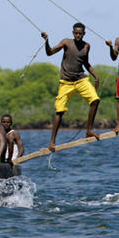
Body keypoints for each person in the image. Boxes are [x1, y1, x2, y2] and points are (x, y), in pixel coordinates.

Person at [41, 23, 100, 151]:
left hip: (81, 79)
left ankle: (89, 130)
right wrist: (46, 41)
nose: (78, 35)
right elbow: (49, 53)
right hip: (66, 82)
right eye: (76, 33)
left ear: (84, 34)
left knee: (95, 100)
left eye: (80, 33)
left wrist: (96, 76)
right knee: (59, 111)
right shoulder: (66, 42)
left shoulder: (86, 46)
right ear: (73, 33)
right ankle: (52, 142)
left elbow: (85, 63)